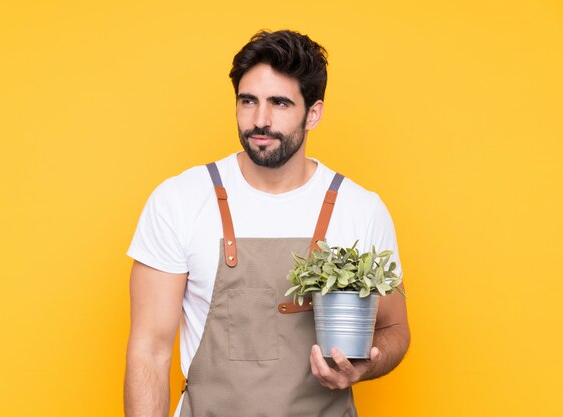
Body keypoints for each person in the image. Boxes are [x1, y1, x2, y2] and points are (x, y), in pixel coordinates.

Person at [124, 30, 409, 417]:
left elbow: (394, 330)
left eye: (280, 103)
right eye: (248, 101)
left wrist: (365, 365)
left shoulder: (361, 209)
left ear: (313, 113)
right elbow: (149, 352)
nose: (260, 120)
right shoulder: (180, 199)